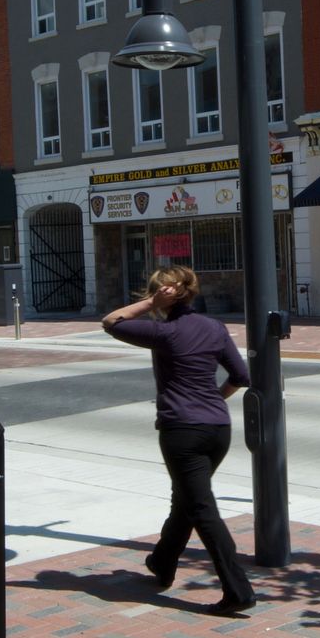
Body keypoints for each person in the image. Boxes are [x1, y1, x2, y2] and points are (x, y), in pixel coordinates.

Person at [102, 263, 255, 614]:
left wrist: (149, 302)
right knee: (185, 499)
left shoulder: (163, 332)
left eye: (156, 292)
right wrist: (215, 399)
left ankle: (238, 590)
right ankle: (162, 561)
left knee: (202, 509)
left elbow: (111, 322)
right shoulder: (214, 328)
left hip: (182, 431)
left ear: (163, 294)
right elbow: (240, 375)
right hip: (218, 430)